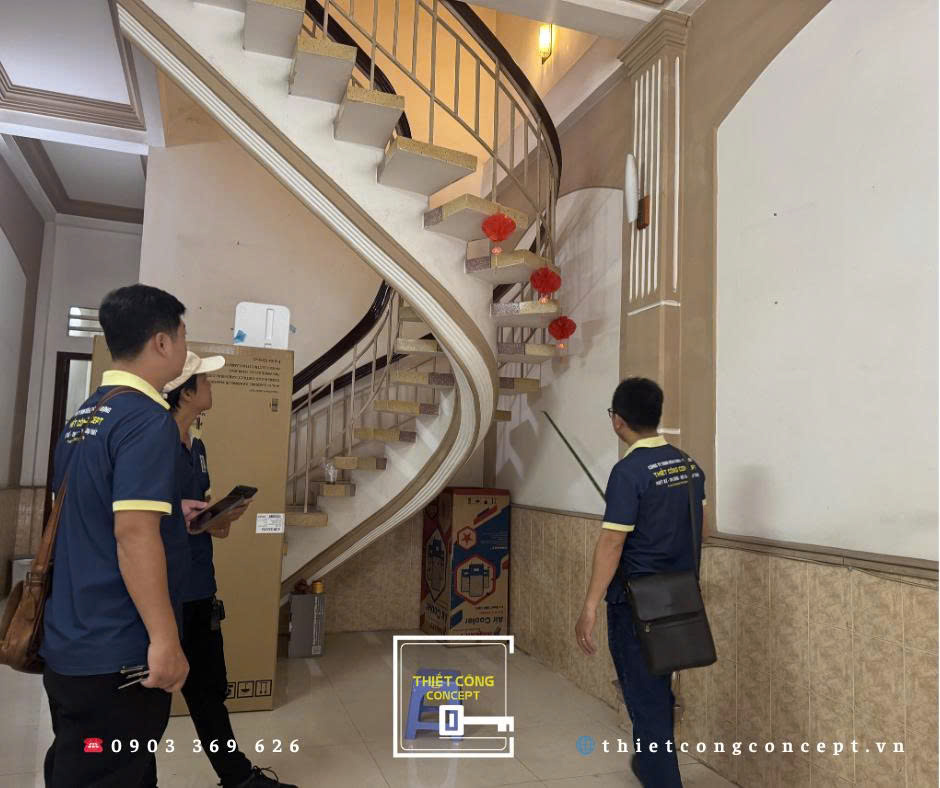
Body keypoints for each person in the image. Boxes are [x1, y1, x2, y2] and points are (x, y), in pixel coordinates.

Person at [42, 284, 208, 787]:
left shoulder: (87, 415)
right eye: (183, 337)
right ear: (162, 342)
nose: (184, 348)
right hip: (118, 649)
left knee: (85, 764)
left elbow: (91, 513)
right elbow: (133, 534)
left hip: (72, 638)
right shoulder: (148, 420)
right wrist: (165, 640)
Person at [165, 352, 297, 788]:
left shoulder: (197, 447)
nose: (212, 387)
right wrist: (187, 519)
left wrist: (218, 518)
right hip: (163, 595)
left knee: (208, 692)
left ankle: (237, 778)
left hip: (201, 588)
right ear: (186, 393)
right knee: (148, 705)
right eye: (205, 381)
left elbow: (200, 519)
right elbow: (137, 522)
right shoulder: (152, 445)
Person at [575, 377, 706, 788]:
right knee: (657, 690)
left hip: (636, 605)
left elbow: (612, 543)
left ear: (618, 420)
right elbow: (698, 529)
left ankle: (663, 778)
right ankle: (648, 766)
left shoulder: (628, 472)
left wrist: (590, 606)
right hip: (679, 598)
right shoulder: (689, 466)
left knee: (644, 697)